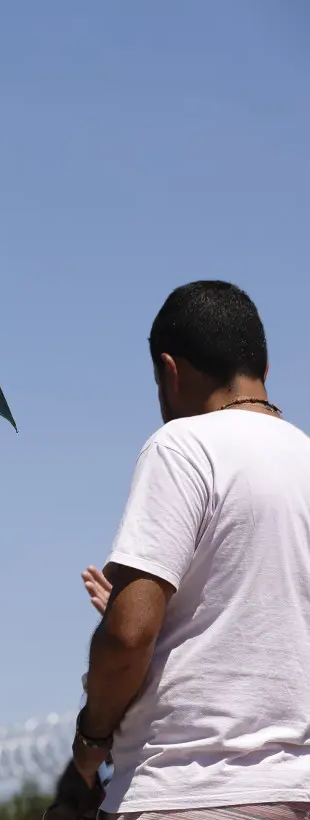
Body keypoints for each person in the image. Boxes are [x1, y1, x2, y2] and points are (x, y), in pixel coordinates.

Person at [70, 281, 310, 818]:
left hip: (188, 789)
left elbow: (131, 637)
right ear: (264, 371)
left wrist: (90, 742)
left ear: (170, 371)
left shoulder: (181, 446)